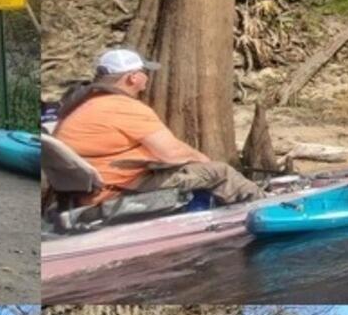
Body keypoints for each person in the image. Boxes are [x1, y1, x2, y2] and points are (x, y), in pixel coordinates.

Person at [55, 47, 264, 206]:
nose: (148, 76)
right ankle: (262, 205)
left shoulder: (80, 104)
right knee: (220, 172)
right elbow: (172, 154)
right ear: (132, 77)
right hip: (114, 190)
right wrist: (204, 162)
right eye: (145, 72)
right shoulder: (125, 108)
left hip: (81, 192)